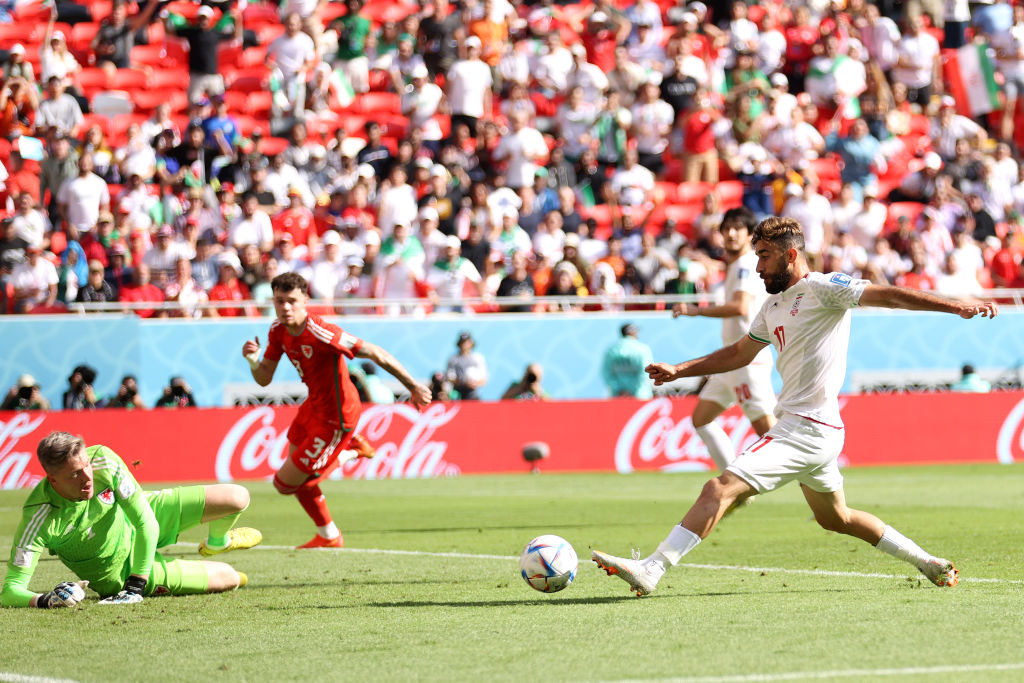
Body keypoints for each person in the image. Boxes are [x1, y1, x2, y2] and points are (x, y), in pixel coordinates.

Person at [592, 216, 998, 597]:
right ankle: (926, 561)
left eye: (764, 257)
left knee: (720, 487)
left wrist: (954, 305)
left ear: (790, 255)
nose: (758, 268)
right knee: (835, 519)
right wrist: (680, 370)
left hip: (805, 428)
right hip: (818, 431)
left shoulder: (825, 288)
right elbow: (738, 353)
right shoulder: (771, 307)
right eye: (756, 258)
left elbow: (888, 295)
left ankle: (653, 569)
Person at [242, 271, 431, 548]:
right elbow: (264, 378)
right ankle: (329, 535)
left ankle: (353, 450)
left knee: (285, 484)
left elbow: (375, 352)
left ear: (305, 300)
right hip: (312, 407)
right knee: (300, 478)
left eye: (292, 301)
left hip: (337, 416)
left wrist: (413, 385)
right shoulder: (277, 331)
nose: (285, 307)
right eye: (279, 301)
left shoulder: (322, 332)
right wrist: (253, 361)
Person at [1, 431, 261, 607]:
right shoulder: (41, 515)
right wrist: (46, 600)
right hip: (118, 572)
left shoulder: (102, 459)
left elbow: (145, 521)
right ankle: (217, 561)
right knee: (231, 577)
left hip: (140, 518)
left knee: (237, 496)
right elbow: (11, 591)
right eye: (75, 475)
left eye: (86, 466)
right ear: (53, 479)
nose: (87, 477)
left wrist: (137, 586)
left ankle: (218, 542)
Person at [672, 207, 777, 471]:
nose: (730, 233)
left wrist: (697, 310)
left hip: (746, 361)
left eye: (737, 228)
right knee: (701, 418)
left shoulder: (745, 265)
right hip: (731, 361)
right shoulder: (735, 265)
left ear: (749, 234)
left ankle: (820, 490)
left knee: (773, 436)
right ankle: (732, 478)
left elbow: (740, 307)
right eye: (726, 228)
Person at [601, 323, 653, 399]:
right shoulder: (643, 349)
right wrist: (635, 390)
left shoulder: (611, 349)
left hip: (617, 396)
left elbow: (606, 372)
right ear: (632, 332)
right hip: (640, 396)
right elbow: (646, 372)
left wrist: (618, 389)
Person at [445, 331, 488, 400]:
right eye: (463, 343)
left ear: (471, 343)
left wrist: (475, 383)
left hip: (473, 394)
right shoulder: (454, 359)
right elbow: (450, 377)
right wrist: (462, 383)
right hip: (457, 394)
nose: (465, 345)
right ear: (459, 344)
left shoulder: (477, 358)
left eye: (467, 342)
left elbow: (484, 379)